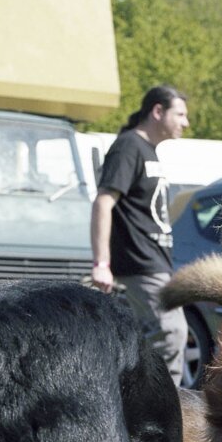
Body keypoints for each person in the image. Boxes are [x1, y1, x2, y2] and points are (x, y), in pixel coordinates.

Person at [90, 85, 191, 384]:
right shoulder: (128, 146)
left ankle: (140, 412)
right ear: (157, 111)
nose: (185, 122)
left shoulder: (149, 151)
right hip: (139, 262)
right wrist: (102, 264)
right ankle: (166, 417)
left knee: (151, 342)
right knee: (171, 334)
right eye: (180, 114)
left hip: (157, 261)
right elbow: (103, 203)